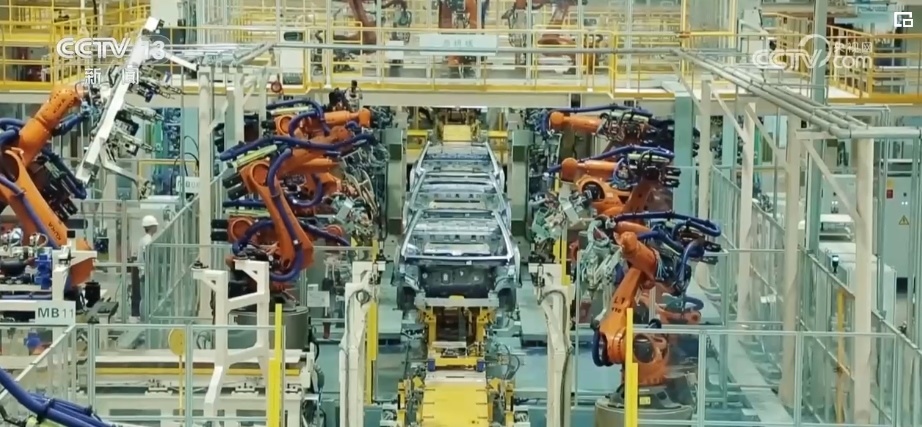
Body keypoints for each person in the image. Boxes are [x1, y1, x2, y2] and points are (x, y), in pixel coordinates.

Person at [131, 215, 159, 322]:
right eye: (155, 225)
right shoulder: (148, 241)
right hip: (146, 273)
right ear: (152, 227)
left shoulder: (143, 239)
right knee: (146, 297)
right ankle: (145, 319)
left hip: (143, 272)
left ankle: (144, 317)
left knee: (144, 297)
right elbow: (147, 256)